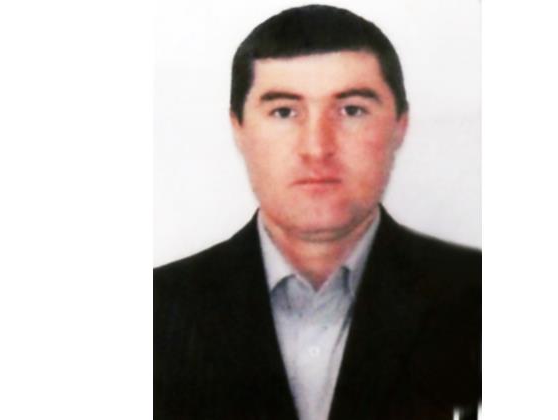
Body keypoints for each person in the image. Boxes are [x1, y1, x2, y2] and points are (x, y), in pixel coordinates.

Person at [154, 5, 481, 420]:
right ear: (239, 128)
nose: (316, 147)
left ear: (400, 125)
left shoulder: (478, 297)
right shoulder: (156, 310)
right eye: (284, 111)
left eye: (351, 110)